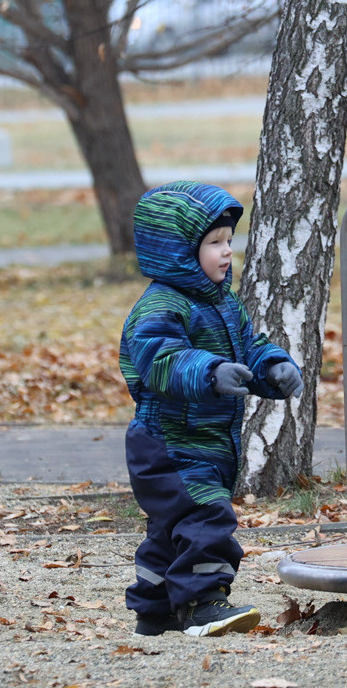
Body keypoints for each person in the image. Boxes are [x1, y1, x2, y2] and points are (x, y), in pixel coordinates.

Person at [119, 181, 304, 637]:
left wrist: (273, 368)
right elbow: (161, 361)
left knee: (171, 531)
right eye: (213, 243)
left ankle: (155, 609)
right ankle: (204, 604)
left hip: (203, 443)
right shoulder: (160, 307)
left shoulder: (223, 303)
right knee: (206, 517)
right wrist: (209, 371)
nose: (226, 253)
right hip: (168, 445)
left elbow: (250, 346)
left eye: (228, 242)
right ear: (179, 251)